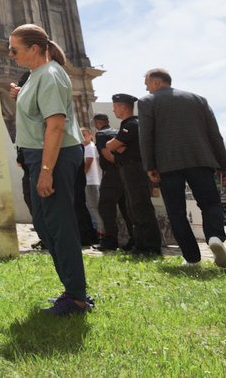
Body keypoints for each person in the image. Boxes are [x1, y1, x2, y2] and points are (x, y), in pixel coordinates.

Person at [8, 24, 91, 315]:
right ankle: (73, 289)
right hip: (38, 156)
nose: (10, 53)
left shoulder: (51, 75)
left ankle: (77, 298)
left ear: (34, 49)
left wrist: (46, 169)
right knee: (46, 225)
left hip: (52, 156)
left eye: (14, 48)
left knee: (59, 224)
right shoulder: (36, 75)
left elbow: (55, 126)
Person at [139, 68, 226, 267]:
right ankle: (215, 238)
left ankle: (192, 258)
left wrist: (149, 166)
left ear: (156, 83)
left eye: (147, 83)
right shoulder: (198, 99)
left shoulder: (147, 102)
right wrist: (223, 164)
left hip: (167, 164)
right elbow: (215, 134)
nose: (146, 88)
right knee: (210, 203)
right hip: (200, 160)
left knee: (176, 210)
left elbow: (146, 136)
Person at [106, 93, 162, 256]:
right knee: (134, 208)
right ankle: (141, 245)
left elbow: (110, 145)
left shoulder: (131, 124)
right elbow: (114, 145)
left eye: (115, 107)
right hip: (130, 169)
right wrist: (117, 146)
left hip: (134, 169)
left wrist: (116, 145)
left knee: (140, 207)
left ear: (123, 107)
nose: (113, 110)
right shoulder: (132, 124)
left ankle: (150, 247)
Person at [94, 113, 133, 251]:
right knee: (125, 209)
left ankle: (110, 240)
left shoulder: (100, 135)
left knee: (106, 208)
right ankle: (133, 239)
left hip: (111, 174)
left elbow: (106, 155)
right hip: (123, 174)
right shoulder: (116, 132)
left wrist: (117, 162)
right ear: (108, 121)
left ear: (96, 123)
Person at [82, 127, 102, 234]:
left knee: (94, 207)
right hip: (88, 182)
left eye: (84, 135)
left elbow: (87, 164)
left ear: (90, 136)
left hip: (91, 182)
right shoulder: (84, 147)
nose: (82, 137)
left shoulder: (90, 147)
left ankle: (99, 229)